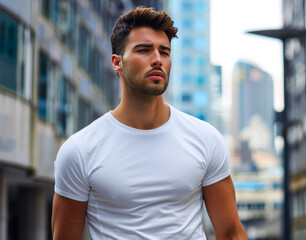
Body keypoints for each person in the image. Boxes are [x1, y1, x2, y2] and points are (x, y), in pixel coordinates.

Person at [52, 6, 247, 240]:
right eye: (144, 50)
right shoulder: (79, 150)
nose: (157, 60)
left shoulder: (206, 138)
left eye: (164, 52)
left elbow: (231, 232)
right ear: (117, 63)